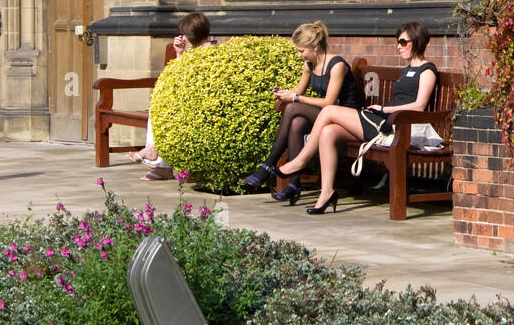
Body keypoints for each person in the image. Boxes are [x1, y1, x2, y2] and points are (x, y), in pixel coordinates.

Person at [248, 21, 438, 213]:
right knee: (328, 132)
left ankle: (300, 161)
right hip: (380, 119)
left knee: (328, 111)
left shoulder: (427, 70)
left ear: (417, 41)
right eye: (398, 42)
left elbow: (419, 106)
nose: (399, 46)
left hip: (395, 125)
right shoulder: (407, 71)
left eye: (403, 42)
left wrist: (383, 109)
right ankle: (327, 193)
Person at [243, 21, 360, 189]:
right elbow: (298, 90)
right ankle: (294, 183)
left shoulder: (337, 66)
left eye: (301, 51)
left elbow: (328, 102)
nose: (299, 55)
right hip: (325, 114)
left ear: (316, 46)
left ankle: (268, 164)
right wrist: (284, 94)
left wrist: (295, 98)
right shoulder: (309, 64)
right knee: (297, 122)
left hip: (345, 117)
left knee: (292, 107)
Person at [132, 12, 216, 180]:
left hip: (201, 103)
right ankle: (158, 160)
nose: (182, 38)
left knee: (164, 110)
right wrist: (179, 53)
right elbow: (176, 75)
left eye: (184, 34)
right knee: (158, 108)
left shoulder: (210, 51)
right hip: (187, 100)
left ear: (192, 34)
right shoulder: (193, 51)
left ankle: (157, 159)